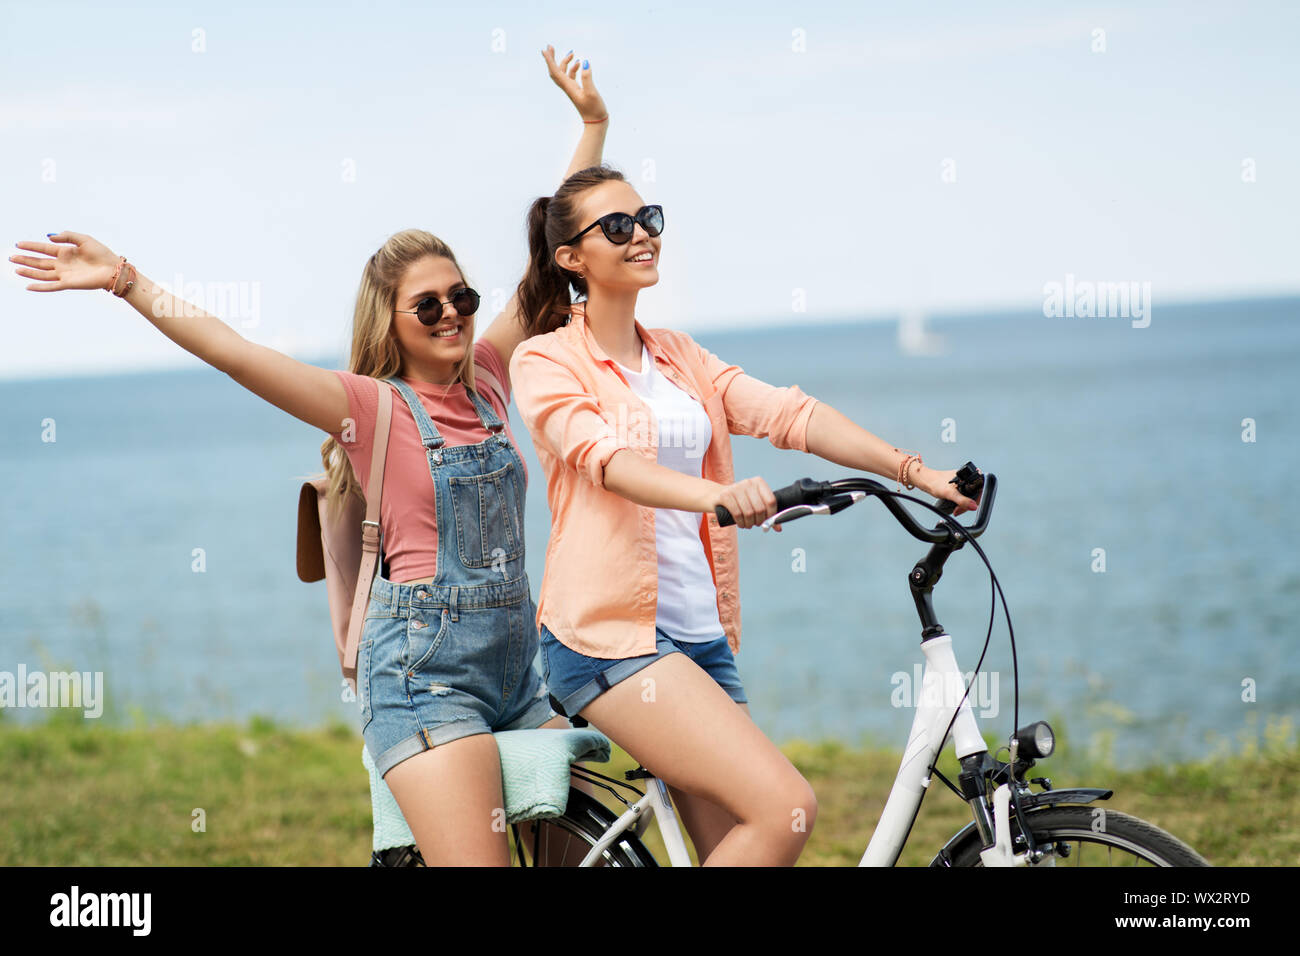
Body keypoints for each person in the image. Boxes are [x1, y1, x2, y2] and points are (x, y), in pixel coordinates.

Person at [10, 48, 611, 866]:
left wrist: (591, 127)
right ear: (391, 321)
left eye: (460, 297)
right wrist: (124, 278)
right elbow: (233, 349)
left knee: (589, 854)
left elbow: (550, 262)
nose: (451, 314)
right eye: (426, 304)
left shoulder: (494, 378)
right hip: (425, 681)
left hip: (516, 672)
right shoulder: (371, 408)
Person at [508, 164, 982, 866]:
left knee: (745, 846)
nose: (641, 235)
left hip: (702, 638)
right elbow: (604, 459)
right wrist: (716, 497)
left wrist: (918, 472)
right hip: (611, 639)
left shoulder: (678, 356)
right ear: (572, 258)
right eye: (617, 227)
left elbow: (789, 414)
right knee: (785, 809)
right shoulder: (545, 361)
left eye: (648, 219)